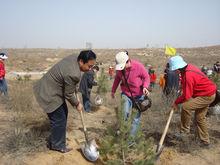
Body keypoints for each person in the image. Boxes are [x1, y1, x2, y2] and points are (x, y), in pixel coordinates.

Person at [34, 50, 96, 153]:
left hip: (52, 89)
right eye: (89, 66)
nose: (90, 69)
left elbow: (69, 84)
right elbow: (68, 94)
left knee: (63, 114)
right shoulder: (73, 73)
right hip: (49, 93)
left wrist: (74, 85)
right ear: (81, 61)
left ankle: (57, 141)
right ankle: (57, 145)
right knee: (59, 118)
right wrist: (77, 104)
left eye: (92, 66)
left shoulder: (75, 58)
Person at [169, 55, 216, 147]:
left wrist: (176, 102)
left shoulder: (188, 75)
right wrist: (183, 84)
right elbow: (188, 83)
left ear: (178, 69)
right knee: (200, 117)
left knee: (186, 107)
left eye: (174, 70)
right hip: (209, 93)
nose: (174, 71)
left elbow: (187, 96)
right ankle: (205, 141)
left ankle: (184, 131)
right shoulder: (188, 68)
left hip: (206, 95)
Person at [111, 51, 150, 137]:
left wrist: (145, 87)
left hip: (139, 96)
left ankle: (131, 140)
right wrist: (113, 90)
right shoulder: (120, 70)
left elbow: (146, 77)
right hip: (126, 94)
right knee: (125, 113)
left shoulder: (138, 66)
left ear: (127, 61)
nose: (122, 68)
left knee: (135, 119)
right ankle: (123, 134)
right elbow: (117, 79)